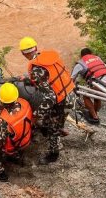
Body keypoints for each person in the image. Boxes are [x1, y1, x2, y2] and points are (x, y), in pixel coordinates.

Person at [18, 37, 77, 165]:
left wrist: (35, 116)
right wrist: (27, 80)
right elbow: (49, 78)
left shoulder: (35, 69)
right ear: (36, 48)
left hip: (61, 102)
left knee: (52, 128)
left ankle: (53, 154)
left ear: (23, 53)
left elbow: (50, 97)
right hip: (71, 94)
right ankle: (57, 127)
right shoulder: (50, 58)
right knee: (50, 119)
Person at [0, 83, 33, 181]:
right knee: (13, 135)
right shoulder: (24, 103)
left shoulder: (5, 121)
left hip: (13, 146)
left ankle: (2, 174)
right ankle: (16, 157)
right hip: (25, 139)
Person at [71, 48, 106, 124]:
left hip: (99, 83)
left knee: (85, 96)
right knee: (97, 96)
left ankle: (94, 117)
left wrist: (73, 89)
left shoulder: (80, 64)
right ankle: (94, 114)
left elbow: (71, 80)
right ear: (91, 54)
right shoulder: (98, 60)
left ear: (81, 56)